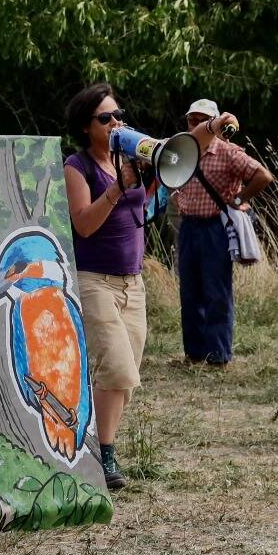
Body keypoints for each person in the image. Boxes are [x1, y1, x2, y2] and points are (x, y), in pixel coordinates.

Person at [61, 84, 161, 491]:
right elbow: (83, 224)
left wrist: (212, 127)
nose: (115, 122)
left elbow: (182, 153)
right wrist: (118, 187)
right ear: (87, 127)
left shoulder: (130, 158)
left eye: (118, 114)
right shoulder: (77, 166)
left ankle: (96, 444)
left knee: (125, 373)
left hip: (132, 283)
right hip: (95, 280)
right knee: (116, 368)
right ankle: (105, 454)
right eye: (106, 118)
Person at [172, 98, 271, 367]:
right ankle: (193, 353)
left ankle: (217, 356)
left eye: (202, 119)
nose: (195, 124)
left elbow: (263, 176)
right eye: (192, 119)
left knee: (216, 291)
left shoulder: (228, 152)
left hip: (215, 227)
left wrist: (238, 200)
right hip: (189, 225)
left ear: (215, 124)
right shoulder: (182, 151)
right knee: (189, 291)